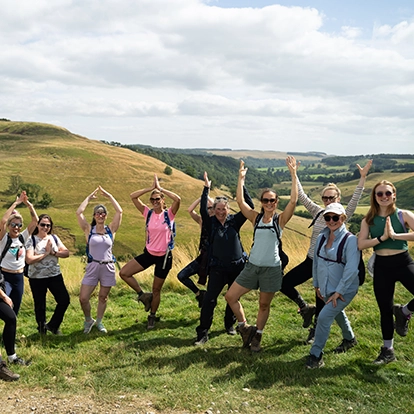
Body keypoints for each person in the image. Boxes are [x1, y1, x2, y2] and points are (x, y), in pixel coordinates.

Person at [280, 160, 372, 344]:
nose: (328, 201)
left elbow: (354, 199)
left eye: (332, 198)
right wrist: (294, 173)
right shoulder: (318, 212)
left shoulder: (342, 214)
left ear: (338, 199)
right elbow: (303, 197)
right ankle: (305, 307)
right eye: (325, 198)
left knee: (323, 297)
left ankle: (316, 331)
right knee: (284, 283)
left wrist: (362, 178)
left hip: (329, 264)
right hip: (310, 260)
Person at [225, 157, 298, 352]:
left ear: (276, 202)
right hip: (252, 267)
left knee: (263, 305)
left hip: (271, 269)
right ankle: (244, 327)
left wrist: (293, 175)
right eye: (265, 200)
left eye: (272, 200)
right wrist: (241, 179)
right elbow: (240, 201)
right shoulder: (256, 218)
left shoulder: (280, 220)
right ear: (261, 202)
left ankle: (257, 335)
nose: (269, 203)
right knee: (231, 297)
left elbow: (293, 200)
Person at [194, 171, 254, 345]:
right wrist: (206, 188)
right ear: (214, 210)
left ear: (229, 209)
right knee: (209, 300)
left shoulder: (235, 221)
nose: (220, 212)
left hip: (237, 267)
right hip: (217, 268)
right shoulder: (210, 222)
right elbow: (202, 208)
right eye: (218, 209)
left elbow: (248, 204)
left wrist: (242, 184)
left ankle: (230, 325)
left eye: (224, 209)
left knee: (233, 298)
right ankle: (203, 333)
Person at [358, 180, 414, 364]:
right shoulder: (368, 220)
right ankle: (388, 350)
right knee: (384, 309)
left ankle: (404, 311)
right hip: (382, 266)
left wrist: (396, 236)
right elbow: (361, 244)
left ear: (394, 195)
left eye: (387, 193)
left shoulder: (403, 215)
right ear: (374, 197)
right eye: (379, 193)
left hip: (403, 262)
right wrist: (382, 238)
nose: (384, 197)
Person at [119, 175, 180, 330]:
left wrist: (160, 189)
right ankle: (143, 295)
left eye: (157, 199)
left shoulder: (169, 214)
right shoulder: (148, 213)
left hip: (164, 257)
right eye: (152, 200)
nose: (154, 202)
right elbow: (133, 197)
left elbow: (178, 199)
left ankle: (152, 316)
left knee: (156, 289)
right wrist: (150, 188)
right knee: (124, 273)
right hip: (149, 253)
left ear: (163, 200)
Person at [305, 203, 360, 369]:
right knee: (336, 312)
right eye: (328, 217)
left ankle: (315, 355)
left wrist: (339, 291)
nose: (331, 221)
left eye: (335, 217)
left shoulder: (350, 240)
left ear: (342, 218)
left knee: (324, 316)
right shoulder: (322, 236)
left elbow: (351, 270)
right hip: (326, 286)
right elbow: (316, 262)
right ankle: (349, 339)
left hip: (345, 289)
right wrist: (316, 284)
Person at [77, 186, 123, 334]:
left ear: (106, 215)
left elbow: (120, 211)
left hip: (108, 267)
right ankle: (88, 320)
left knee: (103, 297)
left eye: (103, 213)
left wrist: (109, 196)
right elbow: (79, 212)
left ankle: (99, 321)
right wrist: (89, 197)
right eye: (97, 213)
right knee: (83, 298)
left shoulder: (111, 229)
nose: (100, 215)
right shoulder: (88, 230)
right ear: (94, 216)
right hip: (92, 266)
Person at [26, 214, 70, 335]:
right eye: (43, 225)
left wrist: (54, 252)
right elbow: (29, 259)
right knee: (40, 304)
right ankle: (41, 329)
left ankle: (53, 325)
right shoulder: (31, 239)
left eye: (48, 225)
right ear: (37, 225)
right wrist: (45, 254)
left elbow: (66, 253)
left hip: (54, 275)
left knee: (64, 300)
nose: (45, 227)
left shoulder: (54, 238)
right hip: (37, 277)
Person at [0, 191, 38, 316]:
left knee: (15, 308)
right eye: (13, 225)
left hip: (19, 277)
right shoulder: (4, 238)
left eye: (19, 225)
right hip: (5, 277)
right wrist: (16, 203)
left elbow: (35, 221)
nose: (16, 227)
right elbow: (2, 221)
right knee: (4, 306)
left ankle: (10, 334)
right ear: (9, 225)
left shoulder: (23, 237)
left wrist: (28, 204)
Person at [177, 196, 214, 308]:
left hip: (215, 258)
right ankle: (199, 294)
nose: (208, 210)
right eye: (206, 208)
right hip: (203, 257)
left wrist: (208, 196)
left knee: (213, 287)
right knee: (182, 275)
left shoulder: (219, 221)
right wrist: (201, 198)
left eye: (211, 208)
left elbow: (215, 204)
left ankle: (208, 308)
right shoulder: (201, 220)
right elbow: (189, 210)